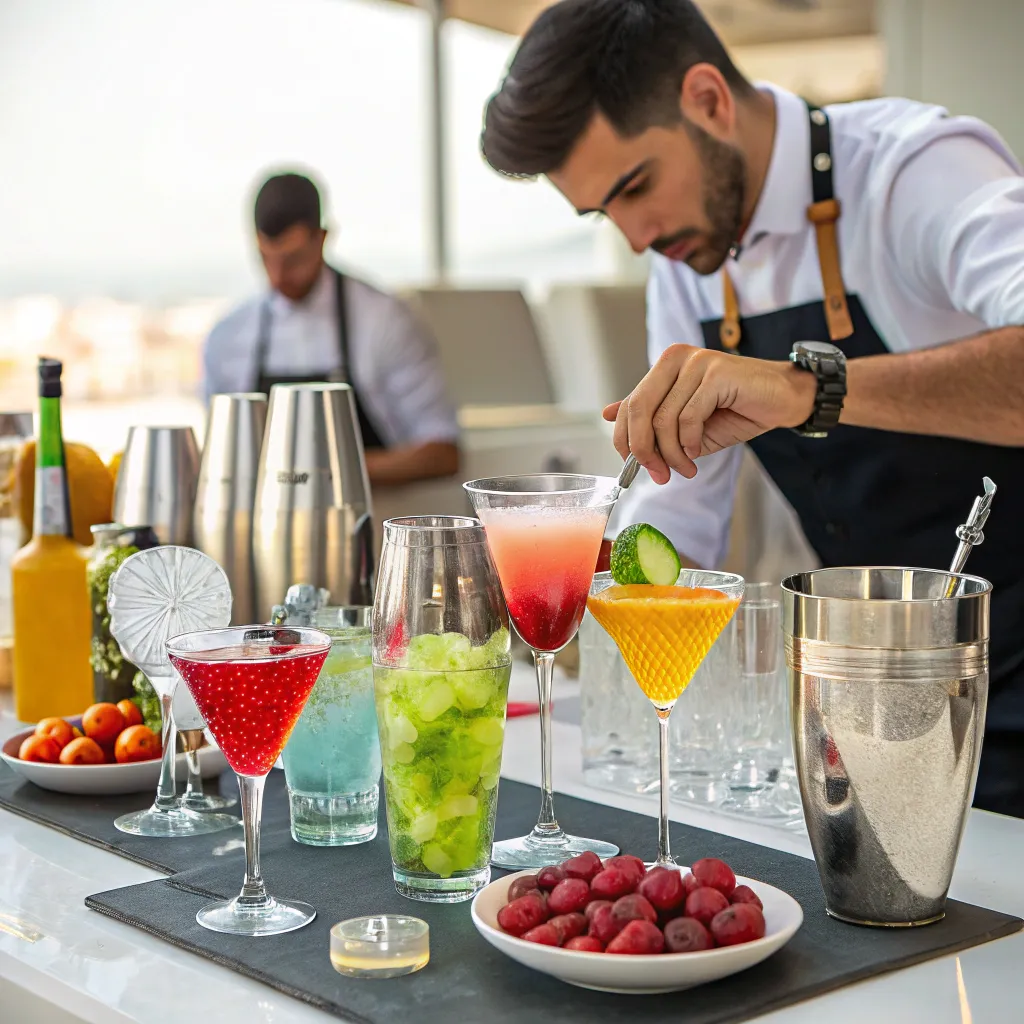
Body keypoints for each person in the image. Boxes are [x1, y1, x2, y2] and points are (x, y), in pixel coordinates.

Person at [481, 0, 1024, 817]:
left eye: (635, 187)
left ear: (708, 99)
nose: (633, 236)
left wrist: (805, 390)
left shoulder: (912, 170)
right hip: (887, 686)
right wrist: (599, 585)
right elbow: (685, 513)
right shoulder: (684, 258)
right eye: (604, 213)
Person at [202, 172, 460, 486]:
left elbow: (443, 452)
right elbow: (220, 457)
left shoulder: (385, 320)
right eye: (266, 259)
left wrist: (323, 475)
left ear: (322, 238)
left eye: (293, 259)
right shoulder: (228, 336)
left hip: (372, 521)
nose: (279, 276)